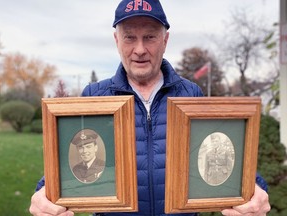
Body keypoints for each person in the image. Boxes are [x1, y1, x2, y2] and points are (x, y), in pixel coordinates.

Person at [29, 0, 271, 215]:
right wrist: (44, 193)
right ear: (117, 40)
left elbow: (220, 151)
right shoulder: (95, 95)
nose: (140, 49)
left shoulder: (190, 94)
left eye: (150, 37)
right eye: (130, 37)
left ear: (165, 40)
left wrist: (254, 187)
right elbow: (69, 162)